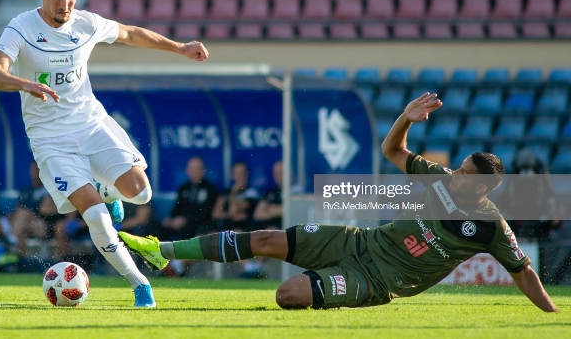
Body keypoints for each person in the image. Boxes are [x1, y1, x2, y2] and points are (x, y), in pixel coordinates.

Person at [118, 93, 559, 312]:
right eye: (460, 169)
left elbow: (524, 274)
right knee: (267, 238)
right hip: (358, 242)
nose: (456, 176)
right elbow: (393, 152)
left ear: (484, 190)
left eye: (467, 176)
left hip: (378, 279)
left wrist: (552, 314)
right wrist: (406, 117)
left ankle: (326, 286)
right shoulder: (441, 180)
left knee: (286, 296)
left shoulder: (490, 226)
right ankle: (161, 252)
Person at [0, 0, 208, 308]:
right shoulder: (21, 28)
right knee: (97, 216)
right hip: (51, 141)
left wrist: (179, 47)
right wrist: (22, 83)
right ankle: (140, 284)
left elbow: (132, 33)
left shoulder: (86, 23)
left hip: (91, 125)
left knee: (142, 194)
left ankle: (106, 189)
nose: (64, 6)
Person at [159, 156, 219, 276]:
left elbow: (207, 213)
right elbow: (177, 208)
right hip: (180, 225)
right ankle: (158, 263)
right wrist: (170, 220)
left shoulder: (210, 189)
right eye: (192, 169)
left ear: (203, 170)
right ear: (187, 171)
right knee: (159, 230)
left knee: (197, 233)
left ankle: (176, 267)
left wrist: (185, 220)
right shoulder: (184, 188)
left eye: (198, 169)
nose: (195, 172)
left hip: (200, 225)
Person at [9, 161, 66, 265]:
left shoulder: (51, 188)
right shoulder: (26, 190)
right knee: (23, 228)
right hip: (30, 225)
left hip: (48, 226)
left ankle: (11, 241)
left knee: (24, 214)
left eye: (38, 170)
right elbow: (16, 211)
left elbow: (47, 210)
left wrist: (33, 214)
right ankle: (18, 263)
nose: (36, 173)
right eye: (34, 170)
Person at [211, 161, 260, 231]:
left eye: (242, 173)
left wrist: (234, 193)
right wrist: (230, 216)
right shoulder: (226, 192)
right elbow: (215, 213)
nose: (240, 176)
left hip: (243, 228)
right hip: (225, 227)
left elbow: (233, 210)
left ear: (246, 174)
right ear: (232, 175)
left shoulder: (251, 192)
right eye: (237, 173)